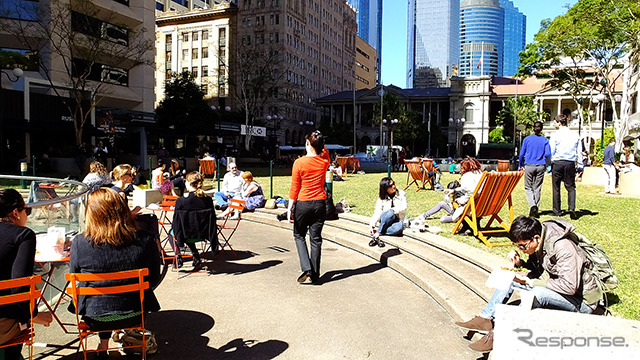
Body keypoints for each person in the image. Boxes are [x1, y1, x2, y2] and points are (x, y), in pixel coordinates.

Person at [455, 215, 600, 352]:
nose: (521, 249)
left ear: (535, 238)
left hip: (582, 301)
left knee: (537, 293)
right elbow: (539, 269)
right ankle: (485, 318)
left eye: (523, 246)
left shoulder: (563, 247)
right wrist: (520, 264)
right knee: (510, 278)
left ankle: (500, 334)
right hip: (563, 290)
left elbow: (569, 286)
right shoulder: (541, 240)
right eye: (517, 246)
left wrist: (532, 282)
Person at [68, 188, 161, 356]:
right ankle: (122, 338)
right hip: (135, 313)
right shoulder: (146, 239)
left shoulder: (80, 243)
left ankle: (103, 345)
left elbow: (75, 275)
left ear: (91, 213)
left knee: (100, 297)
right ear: (124, 210)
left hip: (94, 316)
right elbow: (153, 278)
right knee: (112, 299)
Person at [0, 189, 53, 357]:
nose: (27, 215)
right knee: (22, 324)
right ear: (15, 212)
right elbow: (19, 286)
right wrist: (35, 316)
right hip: (3, 324)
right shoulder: (23, 235)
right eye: (27, 210)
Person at [287, 130, 330, 284]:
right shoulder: (324, 162)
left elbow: (294, 187)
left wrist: (289, 209)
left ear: (307, 144)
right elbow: (326, 154)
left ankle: (306, 268)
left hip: (303, 203)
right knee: (316, 239)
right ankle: (316, 273)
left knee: (299, 235)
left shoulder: (299, 163)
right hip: (320, 203)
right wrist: (320, 144)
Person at [171, 172, 218, 271]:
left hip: (185, 235)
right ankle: (195, 254)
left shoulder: (181, 201)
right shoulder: (208, 200)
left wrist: (180, 241)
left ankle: (178, 256)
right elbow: (213, 220)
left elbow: (176, 223)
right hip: (204, 234)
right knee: (187, 227)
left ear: (188, 183)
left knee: (172, 232)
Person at [549, 114, 582, 219]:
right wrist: (580, 164)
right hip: (570, 162)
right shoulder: (575, 134)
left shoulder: (555, 135)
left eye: (555, 122)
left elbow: (551, 150)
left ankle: (557, 210)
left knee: (556, 187)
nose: (554, 125)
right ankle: (571, 208)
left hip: (558, 162)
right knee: (571, 187)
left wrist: (549, 164)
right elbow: (579, 151)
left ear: (559, 123)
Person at [518, 121, 551, 218]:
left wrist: (520, 164)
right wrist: (548, 164)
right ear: (541, 129)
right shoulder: (545, 140)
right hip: (541, 166)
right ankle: (535, 209)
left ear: (533, 128)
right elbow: (548, 154)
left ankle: (533, 206)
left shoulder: (527, 139)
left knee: (528, 187)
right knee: (537, 188)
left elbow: (521, 154)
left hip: (529, 165)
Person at [368, 177, 407, 247]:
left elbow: (404, 207)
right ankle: (379, 232)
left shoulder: (401, 194)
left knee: (399, 227)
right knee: (390, 214)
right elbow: (377, 211)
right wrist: (372, 225)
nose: (394, 186)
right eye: (390, 186)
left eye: (393, 184)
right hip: (385, 219)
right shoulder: (381, 198)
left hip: (396, 220)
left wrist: (393, 210)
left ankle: (380, 232)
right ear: (385, 188)